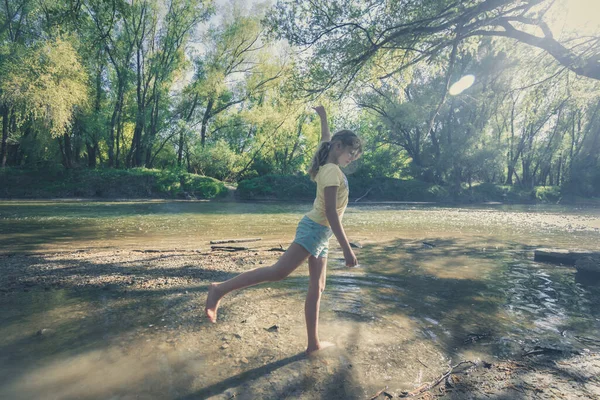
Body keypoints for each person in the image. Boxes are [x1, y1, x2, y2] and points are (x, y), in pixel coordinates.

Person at [204, 105, 363, 355]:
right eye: (351, 152)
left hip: (321, 234)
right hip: (315, 230)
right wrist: (346, 249)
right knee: (278, 272)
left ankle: (313, 344)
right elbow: (332, 213)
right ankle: (219, 289)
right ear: (339, 146)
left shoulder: (328, 162)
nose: (352, 157)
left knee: (317, 287)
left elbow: (325, 140)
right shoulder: (331, 171)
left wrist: (323, 117)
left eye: (355, 155)